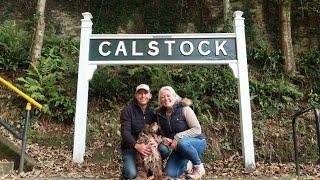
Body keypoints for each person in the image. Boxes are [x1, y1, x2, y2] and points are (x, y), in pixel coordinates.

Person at [156, 86, 207, 179]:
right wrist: (165, 139)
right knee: (169, 174)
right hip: (178, 149)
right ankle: (187, 165)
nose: (166, 99)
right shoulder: (160, 114)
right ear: (160, 100)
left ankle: (198, 166)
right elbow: (161, 134)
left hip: (196, 143)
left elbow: (197, 129)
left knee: (182, 142)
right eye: (162, 97)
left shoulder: (184, 108)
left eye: (168, 95)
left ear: (174, 96)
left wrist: (177, 137)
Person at [120, 84, 156, 179]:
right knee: (131, 174)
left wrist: (156, 141)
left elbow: (158, 131)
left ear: (150, 96)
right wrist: (137, 146)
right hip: (131, 147)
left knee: (164, 150)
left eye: (145, 93)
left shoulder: (153, 113)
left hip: (147, 147)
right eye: (140, 93)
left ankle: (149, 168)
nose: (143, 96)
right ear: (136, 96)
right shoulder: (127, 111)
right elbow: (125, 132)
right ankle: (128, 169)